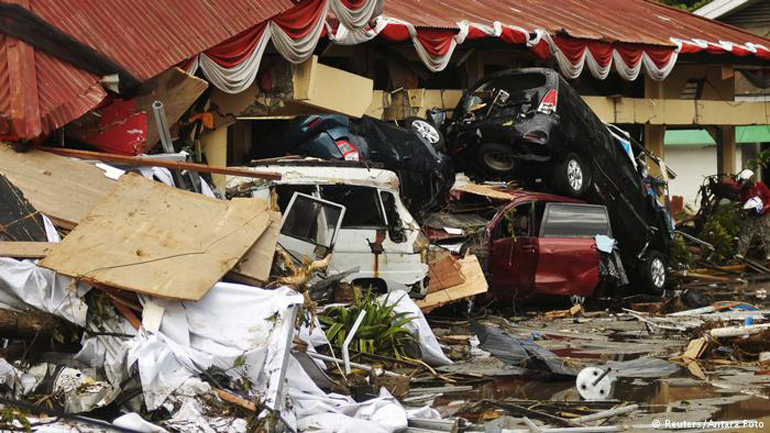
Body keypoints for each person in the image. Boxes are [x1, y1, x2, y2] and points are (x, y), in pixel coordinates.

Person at [736, 169, 770, 259]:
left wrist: (767, 206)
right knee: (745, 233)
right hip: (751, 215)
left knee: (766, 234)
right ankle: (740, 254)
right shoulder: (745, 190)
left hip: (763, 214)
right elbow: (742, 201)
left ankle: (769, 255)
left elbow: (769, 197)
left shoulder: (761, 186)